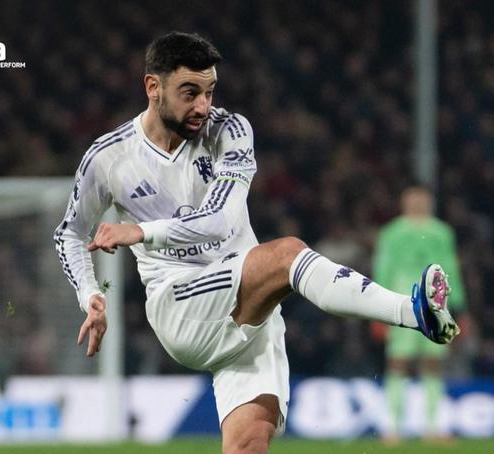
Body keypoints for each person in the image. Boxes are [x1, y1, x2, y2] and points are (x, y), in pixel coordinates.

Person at [54, 32, 460, 453]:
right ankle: (412, 312)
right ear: (152, 87)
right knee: (286, 255)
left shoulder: (230, 130)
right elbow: (69, 233)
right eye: (189, 93)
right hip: (181, 304)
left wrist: (143, 231)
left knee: (248, 445)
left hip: (250, 308)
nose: (203, 106)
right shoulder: (108, 158)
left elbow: (219, 221)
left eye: (210, 92)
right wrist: (90, 295)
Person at [373, 186, 467, 441]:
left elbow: (451, 269)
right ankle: (392, 427)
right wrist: (377, 310)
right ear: (404, 201)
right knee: (398, 362)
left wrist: (459, 306)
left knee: (433, 363)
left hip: (436, 305)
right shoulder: (391, 233)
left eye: (422, 198)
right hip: (399, 303)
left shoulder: (442, 232)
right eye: (412, 198)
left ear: (430, 201)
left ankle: (433, 427)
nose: (417, 202)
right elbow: (383, 269)